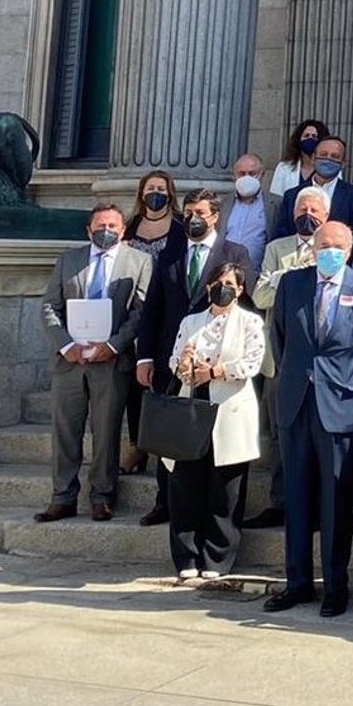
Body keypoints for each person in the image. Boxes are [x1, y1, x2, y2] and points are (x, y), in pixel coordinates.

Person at [264, 220, 353, 617]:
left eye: (337, 245)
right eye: (323, 244)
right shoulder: (292, 285)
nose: (329, 251)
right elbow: (279, 339)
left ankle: (336, 584)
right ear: (313, 248)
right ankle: (296, 581)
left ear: (349, 251)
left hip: (342, 407)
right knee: (296, 496)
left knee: (335, 502)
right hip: (297, 402)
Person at [135, 188, 255, 527]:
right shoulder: (170, 254)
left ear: (215, 215)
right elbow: (153, 308)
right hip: (172, 359)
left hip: (218, 369)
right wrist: (144, 356)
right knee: (170, 435)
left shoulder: (234, 252)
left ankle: (209, 511)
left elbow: (245, 307)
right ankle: (166, 502)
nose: (193, 218)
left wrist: (217, 360)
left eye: (200, 212)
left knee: (213, 443)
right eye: (188, 213)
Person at [35, 204, 153, 523]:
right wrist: (66, 346)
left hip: (112, 361)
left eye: (113, 225)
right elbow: (49, 307)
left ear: (123, 230)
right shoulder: (68, 260)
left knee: (106, 431)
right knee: (65, 431)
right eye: (101, 225)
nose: (107, 230)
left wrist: (114, 345)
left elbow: (141, 311)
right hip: (70, 362)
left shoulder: (139, 262)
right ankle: (62, 497)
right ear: (88, 230)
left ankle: (102, 496)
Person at [163, 262, 265, 580]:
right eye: (217, 283)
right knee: (185, 485)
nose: (223, 288)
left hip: (230, 408)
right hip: (192, 406)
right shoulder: (192, 321)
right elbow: (174, 359)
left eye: (229, 283)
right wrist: (185, 364)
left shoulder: (250, 322)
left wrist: (217, 371)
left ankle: (217, 559)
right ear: (208, 288)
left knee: (226, 490)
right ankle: (186, 556)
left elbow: (252, 362)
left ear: (240, 289)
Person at [241, 185, 329, 530]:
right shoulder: (277, 248)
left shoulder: (332, 247)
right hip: (280, 359)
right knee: (280, 434)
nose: (307, 216)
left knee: (320, 434)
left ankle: (318, 504)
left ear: (326, 216)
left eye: (314, 211)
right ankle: (281, 501)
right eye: (301, 210)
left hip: (319, 362)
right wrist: (290, 277)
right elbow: (261, 296)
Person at [121, 170, 184, 476]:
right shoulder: (129, 226)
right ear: (141, 193)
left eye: (161, 188)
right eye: (150, 188)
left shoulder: (181, 227)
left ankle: (161, 446)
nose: (155, 193)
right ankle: (136, 444)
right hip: (130, 309)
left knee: (159, 377)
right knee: (134, 380)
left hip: (164, 312)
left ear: (170, 193)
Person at [275, 136, 353, 244]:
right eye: (323, 155)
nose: (328, 159)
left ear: (343, 163)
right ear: (313, 158)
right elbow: (281, 236)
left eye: (335, 156)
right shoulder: (292, 195)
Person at [224, 153, 273, 270]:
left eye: (252, 173)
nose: (246, 177)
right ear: (234, 175)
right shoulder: (224, 203)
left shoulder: (274, 204)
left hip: (256, 273)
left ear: (262, 175)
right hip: (226, 273)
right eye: (241, 174)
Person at [271, 118, 331, 197]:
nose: (310, 139)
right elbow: (276, 198)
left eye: (314, 136)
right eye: (306, 136)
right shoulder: (283, 167)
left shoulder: (330, 167)